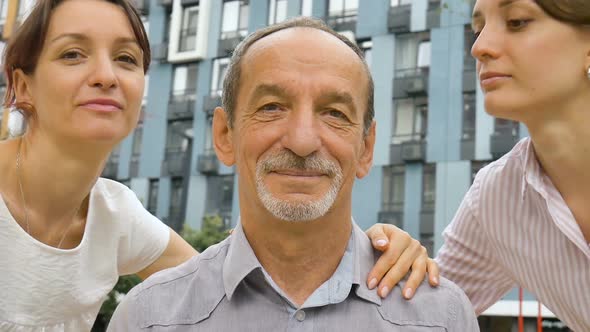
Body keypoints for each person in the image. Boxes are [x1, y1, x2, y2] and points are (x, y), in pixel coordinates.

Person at [0, 0, 439, 330]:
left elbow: (220, 283)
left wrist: (371, 249)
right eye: (73, 54)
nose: (106, 75)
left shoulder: (116, 216)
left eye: (126, 58)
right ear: (22, 85)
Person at [107, 17, 479, 331]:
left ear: (366, 148)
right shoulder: (147, 319)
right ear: (224, 135)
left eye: (334, 113)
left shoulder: (442, 318)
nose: (302, 141)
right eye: (271, 107)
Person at [369, 0, 590, 330]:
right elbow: (419, 318)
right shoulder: (498, 197)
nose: (479, 47)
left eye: (516, 22)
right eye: (478, 29)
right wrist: (381, 255)